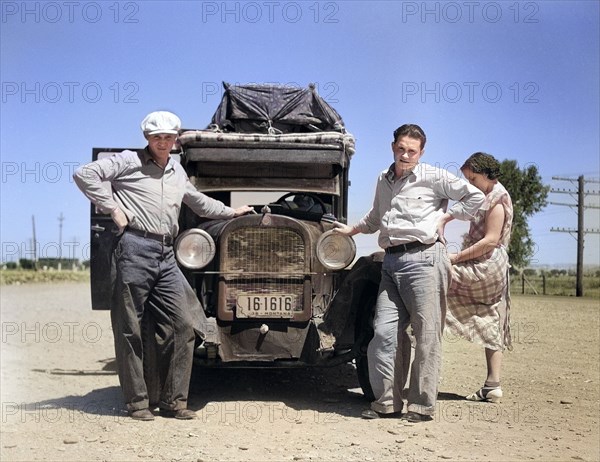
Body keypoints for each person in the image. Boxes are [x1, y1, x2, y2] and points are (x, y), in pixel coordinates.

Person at [73, 111, 253, 420]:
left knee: (185, 325)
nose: (163, 142)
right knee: (129, 328)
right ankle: (139, 403)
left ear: (175, 140)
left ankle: (173, 402)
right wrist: (113, 207)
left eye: (169, 138)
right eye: (158, 137)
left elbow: (198, 202)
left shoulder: (177, 171)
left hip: (166, 253)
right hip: (133, 248)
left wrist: (231, 212)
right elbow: (84, 174)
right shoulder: (128, 161)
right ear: (148, 138)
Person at [333, 124, 485, 422]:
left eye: (411, 151)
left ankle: (421, 406)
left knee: (427, 336)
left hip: (425, 259)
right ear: (393, 147)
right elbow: (377, 216)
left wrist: (447, 217)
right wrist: (352, 230)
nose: (405, 155)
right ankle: (387, 402)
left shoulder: (433, 176)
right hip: (390, 262)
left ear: (421, 152)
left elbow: (475, 198)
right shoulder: (383, 179)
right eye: (401, 149)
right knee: (384, 333)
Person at [440, 152, 513, 403]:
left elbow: (490, 241)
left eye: (472, 179)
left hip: (485, 265)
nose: (469, 184)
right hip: (490, 268)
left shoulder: (496, 200)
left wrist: (455, 257)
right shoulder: (486, 195)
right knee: (491, 317)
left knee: (434, 281)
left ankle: (419, 358)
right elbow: (462, 208)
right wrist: (447, 216)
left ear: (486, 175)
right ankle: (492, 385)